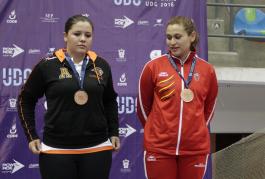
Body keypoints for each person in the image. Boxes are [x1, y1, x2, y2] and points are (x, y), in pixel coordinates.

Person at [17, 14, 120, 179]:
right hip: (57, 149)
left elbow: (109, 101)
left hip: (97, 148)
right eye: (77, 34)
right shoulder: (47, 65)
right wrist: (31, 135)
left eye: (88, 35)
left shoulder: (101, 65)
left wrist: (114, 131)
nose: (82, 39)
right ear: (65, 36)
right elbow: (25, 99)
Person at [137, 16, 218, 179]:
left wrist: (196, 129)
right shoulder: (153, 67)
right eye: (168, 37)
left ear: (192, 36)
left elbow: (209, 107)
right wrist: (158, 130)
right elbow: (143, 107)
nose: (172, 42)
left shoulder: (207, 70)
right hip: (160, 149)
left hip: (194, 150)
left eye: (177, 37)